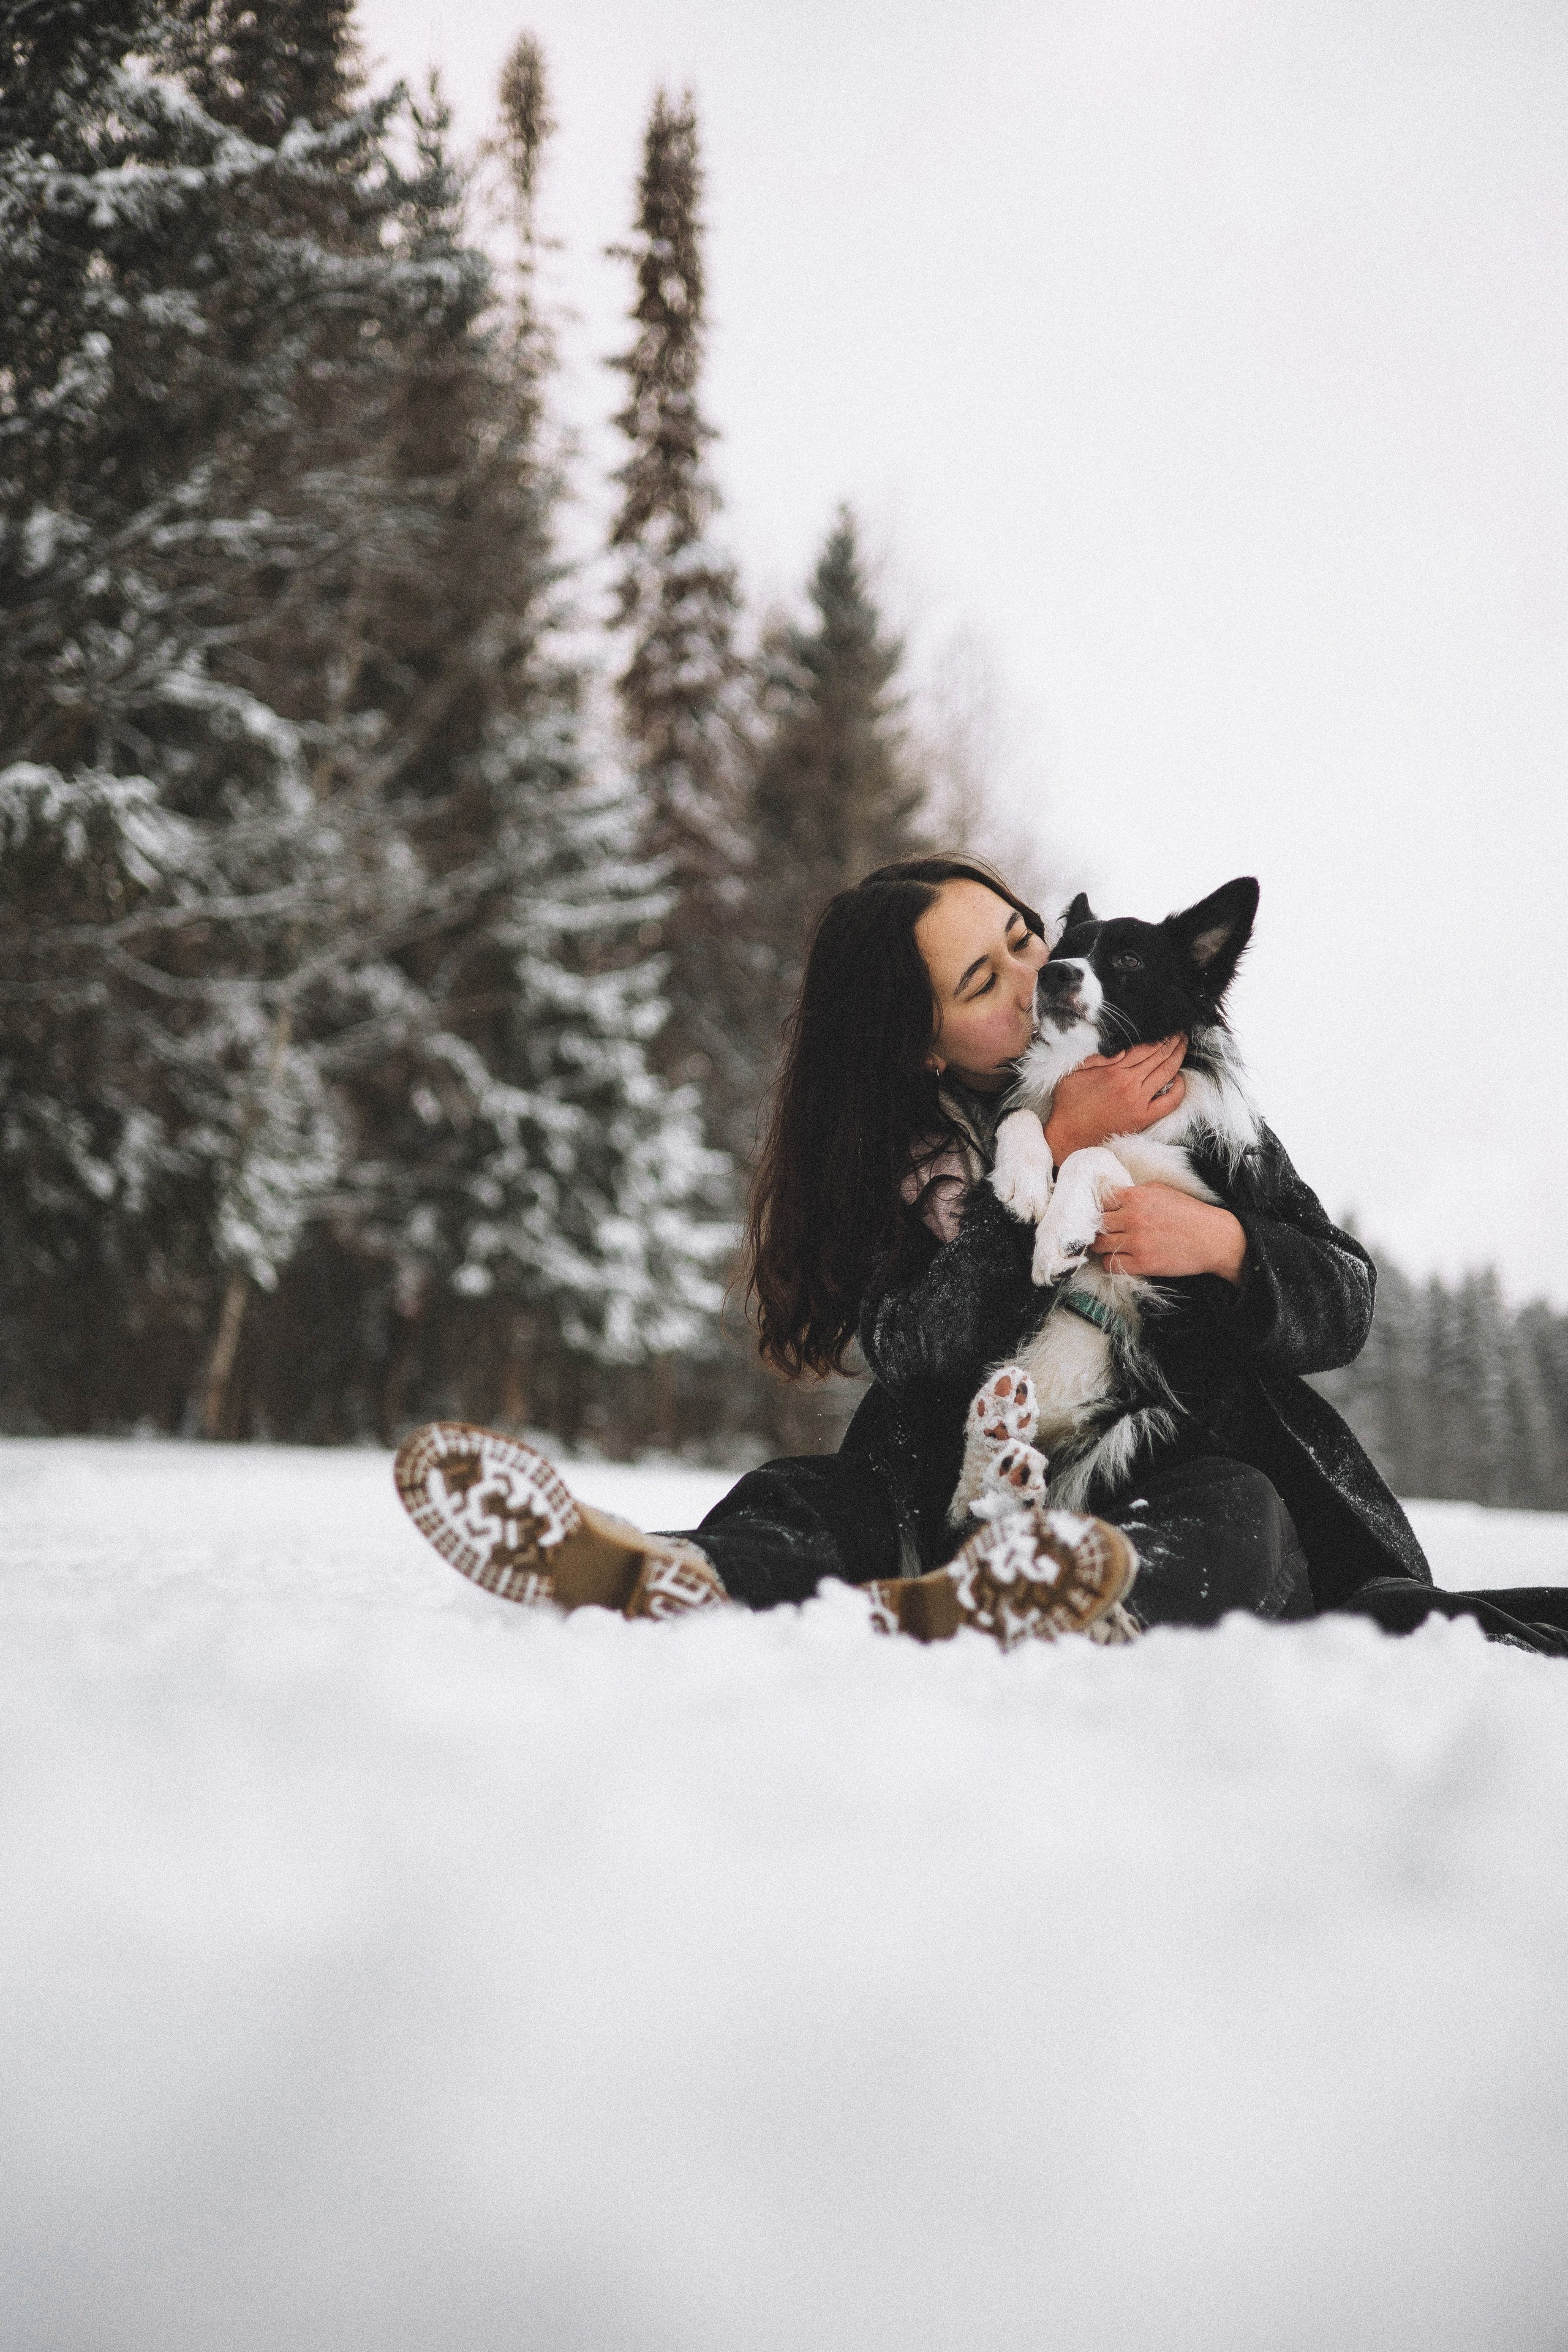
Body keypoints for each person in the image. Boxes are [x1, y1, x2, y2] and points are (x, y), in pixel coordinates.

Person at [396, 856, 1568, 1658]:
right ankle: (675, 1577)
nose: (1037, 977)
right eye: (983, 980)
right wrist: (1050, 1147)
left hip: (1170, 1469)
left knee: (1240, 1512)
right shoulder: (904, 1167)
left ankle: (1069, 1591)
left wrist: (1226, 1244)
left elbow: (1344, 1303)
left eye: (1026, 939)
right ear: (919, 1041)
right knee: (802, 1500)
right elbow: (920, 1346)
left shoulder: (1184, 1100)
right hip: (945, 1494)